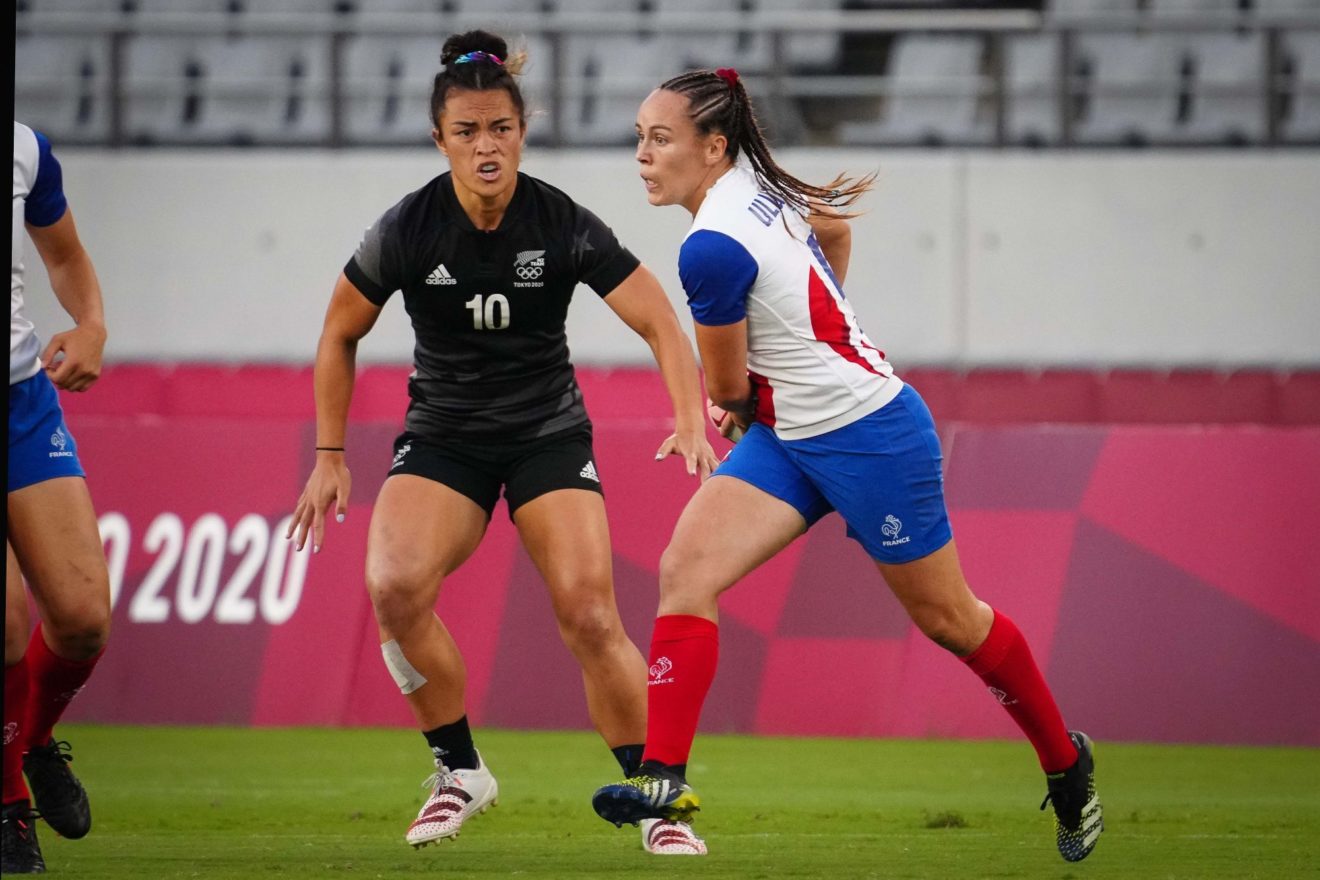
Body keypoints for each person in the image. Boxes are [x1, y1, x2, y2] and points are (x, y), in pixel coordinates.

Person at [591, 68, 1104, 864]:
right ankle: (664, 776)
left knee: (951, 622)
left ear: (713, 147)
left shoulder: (710, 248)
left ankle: (1067, 762)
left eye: (659, 138)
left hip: (872, 435)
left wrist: (771, 381)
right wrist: (806, 355)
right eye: (639, 138)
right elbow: (833, 234)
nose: (643, 155)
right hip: (793, 431)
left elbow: (727, 386)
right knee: (686, 569)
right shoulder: (753, 187)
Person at [286, 32, 719, 856]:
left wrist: (690, 415)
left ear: (522, 130)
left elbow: (661, 319)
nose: (487, 146)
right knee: (393, 586)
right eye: (467, 131)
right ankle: (460, 773)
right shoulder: (408, 229)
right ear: (439, 139)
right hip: (444, 438)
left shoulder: (559, 221)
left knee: (591, 611)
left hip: (545, 435)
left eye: (501, 129)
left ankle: (658, 800)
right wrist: (330, 455)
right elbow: (339, 333)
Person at [4, 122, 112, 875]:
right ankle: (10, 806)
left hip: (21, 399)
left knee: (81, 620)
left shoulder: (24, 147)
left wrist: (93, 323)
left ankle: (34, 741)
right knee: (6, 629)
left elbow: (64, 253)